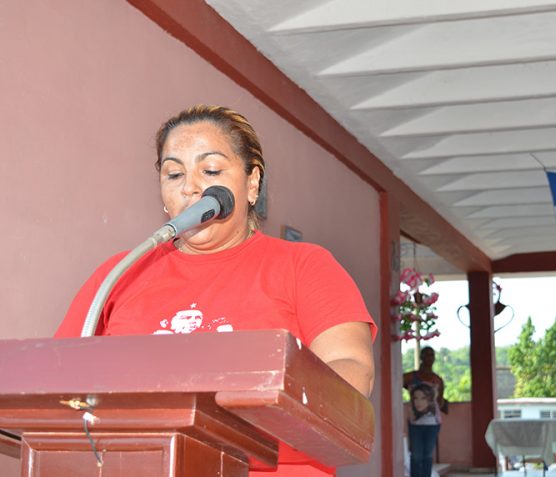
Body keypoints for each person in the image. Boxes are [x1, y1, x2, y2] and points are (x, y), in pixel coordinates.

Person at [55, 104, 377, 477]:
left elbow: (350, 373)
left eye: (209, 170)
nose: (190, 186)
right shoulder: (120, 274)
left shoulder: (305, 266)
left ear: (252, 183)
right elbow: (58, 383)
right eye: (173, 173)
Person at [403, 346, 447, 477]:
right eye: (426, 354)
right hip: (415, 423)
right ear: (421, 357)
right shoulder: (410, 377)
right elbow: (394, 384)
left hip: (433, 423)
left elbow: (440, 401)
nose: (429, 357)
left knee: (427, 455)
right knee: (416, 455)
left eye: (432, 355)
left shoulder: (438, 380)